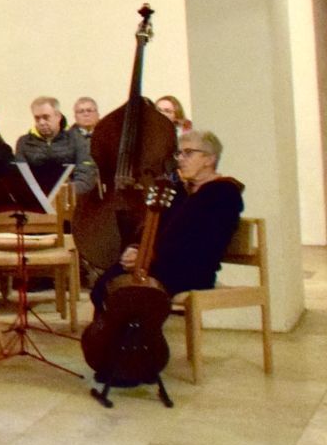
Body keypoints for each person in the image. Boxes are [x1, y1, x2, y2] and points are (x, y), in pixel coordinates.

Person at [92, 129, 241, 314]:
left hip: (190, 270)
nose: (180, 159)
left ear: (209, 159)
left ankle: (139, 341)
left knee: (130, 294)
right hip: (160, 264)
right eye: (179, 153)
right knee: (104, 286)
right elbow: (152, 226)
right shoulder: (180, 191)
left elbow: (198, 243)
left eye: (188, 153)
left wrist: (149, 257)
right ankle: (123, 341)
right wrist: (137, 248)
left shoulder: (224, 193)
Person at [16, 96, 98, 195]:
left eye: (46, 117)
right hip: (36, 201)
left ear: (58, 116)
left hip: (69, 201)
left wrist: (63, 193)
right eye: (37, 118)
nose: (41, 122)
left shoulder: (76, 139)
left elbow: (85, 175)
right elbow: (20, 177)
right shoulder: (24, 143)